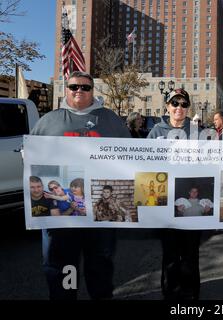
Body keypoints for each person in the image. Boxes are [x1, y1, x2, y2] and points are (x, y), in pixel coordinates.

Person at [30, 71, 131, 300]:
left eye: (85, 87)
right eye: (74, 86)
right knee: (63, 266)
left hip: (100, 212)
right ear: (66, 89)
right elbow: (31, 158)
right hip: (62, 218)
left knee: (100, 264)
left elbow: (130, 156)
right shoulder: (49, 120)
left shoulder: (110, 120)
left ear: (92, 91)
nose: (79, 91)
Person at [147, 88, 202, 300]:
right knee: (170, 255)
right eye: (175, 103)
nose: (179, 108)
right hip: (165, 201)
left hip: (191, 200)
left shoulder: (199, 132)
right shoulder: (155, 132)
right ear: (167, 106)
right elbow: (144, 164)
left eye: (184, 104)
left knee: (190, 255)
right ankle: (170, 296)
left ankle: (190, 297)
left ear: (188, 108)